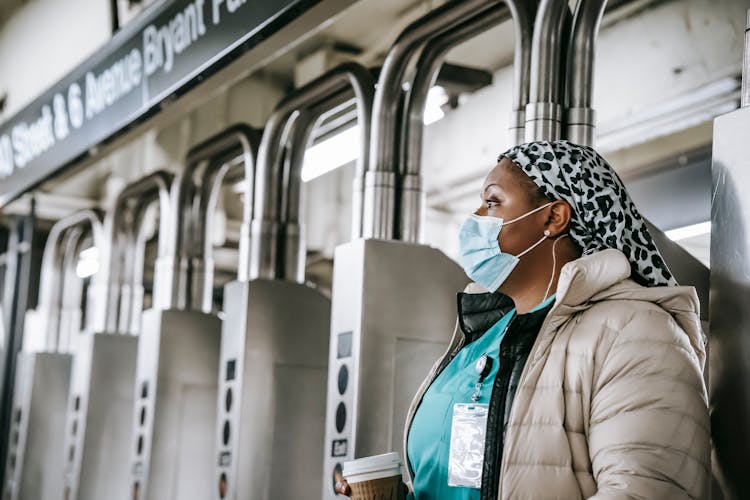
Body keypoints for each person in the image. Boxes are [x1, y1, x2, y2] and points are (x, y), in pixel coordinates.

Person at [336, 140, 709, 499]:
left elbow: (647, 489)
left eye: (492, 203)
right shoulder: (483, 336)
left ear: (553, 217)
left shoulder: (635, 331)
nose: (476, 219)